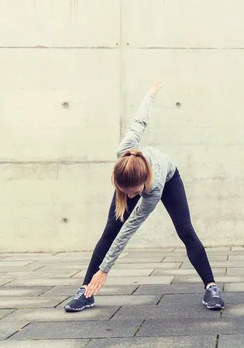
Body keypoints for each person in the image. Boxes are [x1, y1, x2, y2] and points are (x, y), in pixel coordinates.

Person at [64, 81, 224, 312]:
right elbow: (139, 121)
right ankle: (85, 292)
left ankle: (211, 287)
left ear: (143, 185)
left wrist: (105, 269)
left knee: (185, 230)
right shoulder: (124, 152)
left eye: (135, 193)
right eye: (125, 192)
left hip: (170, 179)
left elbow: (129, 230)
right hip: (137, 175)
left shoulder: (154, 188)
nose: (130, 197)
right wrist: (150, 95)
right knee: (110, 230)